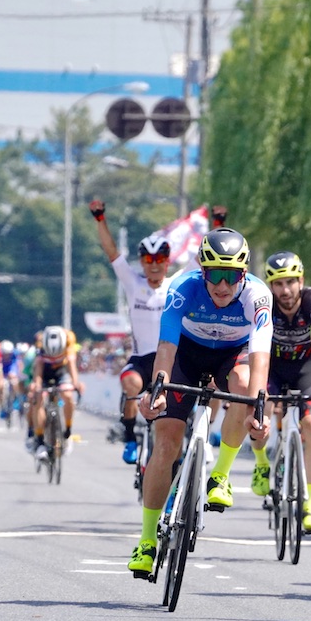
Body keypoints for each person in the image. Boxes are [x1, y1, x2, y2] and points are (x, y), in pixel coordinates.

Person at [129, 228, 273, 578]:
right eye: (214, 275)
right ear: (202, 271)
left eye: (231, 276)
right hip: (186, 356)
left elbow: (260, 357)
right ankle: (147, 541)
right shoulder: (183, 287)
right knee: (165, 445)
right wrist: (157, 389)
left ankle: (220, 475)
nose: (222, 286)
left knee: (242, 385)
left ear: (243, 274)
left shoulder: (257, 295)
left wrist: (258, 409)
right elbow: (166, 346)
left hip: (231, 356)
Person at [90, 198, 172, 467]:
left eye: (159, 259)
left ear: (167, 261)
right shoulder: (133, 283)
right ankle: (128, 436)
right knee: (131, 385)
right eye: (149, 260)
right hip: (141, 361)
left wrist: (219, 225)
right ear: (142, 262)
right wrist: (100, 219)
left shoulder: (176, 284)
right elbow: (111, 252)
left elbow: (203, 258)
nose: (154, 265)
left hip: (170, 362)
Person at [256, 250, 311, 535]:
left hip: (306, 370)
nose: (285, 290)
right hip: (273, 370)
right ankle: (262, 464)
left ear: (301, 280)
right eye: (278, 283)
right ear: (270, 285)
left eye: (290, 282)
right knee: (260, 413)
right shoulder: (265, 304)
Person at [28, 325, 78, 460]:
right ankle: (39, 440)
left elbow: (72, 366)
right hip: (45, 371)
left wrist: (75, 384)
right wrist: (37, 386)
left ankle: (67, 430)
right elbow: (38, 370)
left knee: (67, 396)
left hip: (62, 372)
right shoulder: (40, 343)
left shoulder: (69, 340)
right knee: (38, 399)